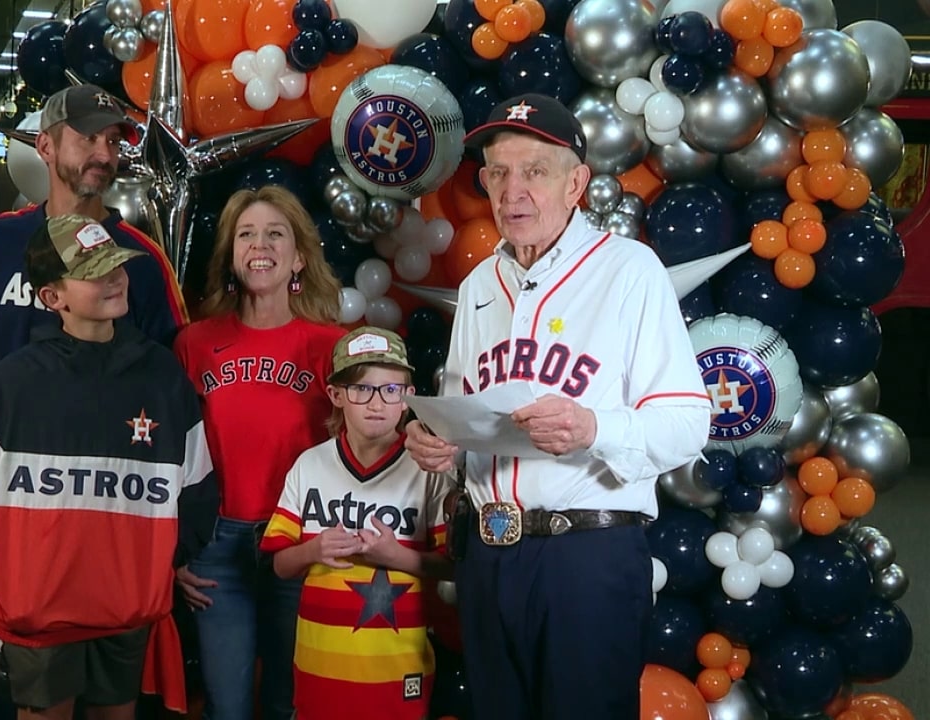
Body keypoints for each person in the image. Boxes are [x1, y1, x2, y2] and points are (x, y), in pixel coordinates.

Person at [404, 93, 711, 719]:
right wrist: (439, 444)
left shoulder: (630, 270)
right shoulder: (477, 286)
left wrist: (592, 427)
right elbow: (468, 416)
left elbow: (688, 423)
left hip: (586, 558)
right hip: (488, 553)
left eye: (535, 171)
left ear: (576, 184)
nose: (513, 190)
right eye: (498, 172)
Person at [0, 213, 218, 720]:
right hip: (38, 613)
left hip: (126, 610)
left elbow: (199, 486)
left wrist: (155, 564)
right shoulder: (13, 383)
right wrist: (3, 571)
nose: (115, 277)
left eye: (116, 264)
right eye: (94, 270)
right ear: (52, 298)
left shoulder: (162, 377)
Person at [171, 185, 345, 720]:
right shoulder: (195, 343)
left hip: (299, 540)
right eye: (245, 234)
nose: (259, 245)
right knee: (227, 706)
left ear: (298, 257)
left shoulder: (331, 344)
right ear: (229, 253)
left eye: (275, 234)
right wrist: (174, 555)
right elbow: (171, 457)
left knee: (290, 703)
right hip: (218, 546)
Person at [261, 326, 453, 720]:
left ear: (408, 398)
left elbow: (453, 565)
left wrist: (395, 556)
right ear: (336, 395)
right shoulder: (310, 466)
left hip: (398, 669)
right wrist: (313, 549)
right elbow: (278, 565)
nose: (375, 403)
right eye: (360, 389)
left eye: (390, 390)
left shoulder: (427, 471)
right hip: (320, 669)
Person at [0, 84, 188, 370]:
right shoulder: (0, 238)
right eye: (89, 138)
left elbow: (168, 369)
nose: (104, 156)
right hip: (8, 411)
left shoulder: (142, 258)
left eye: (113, 141)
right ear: (45, 146)